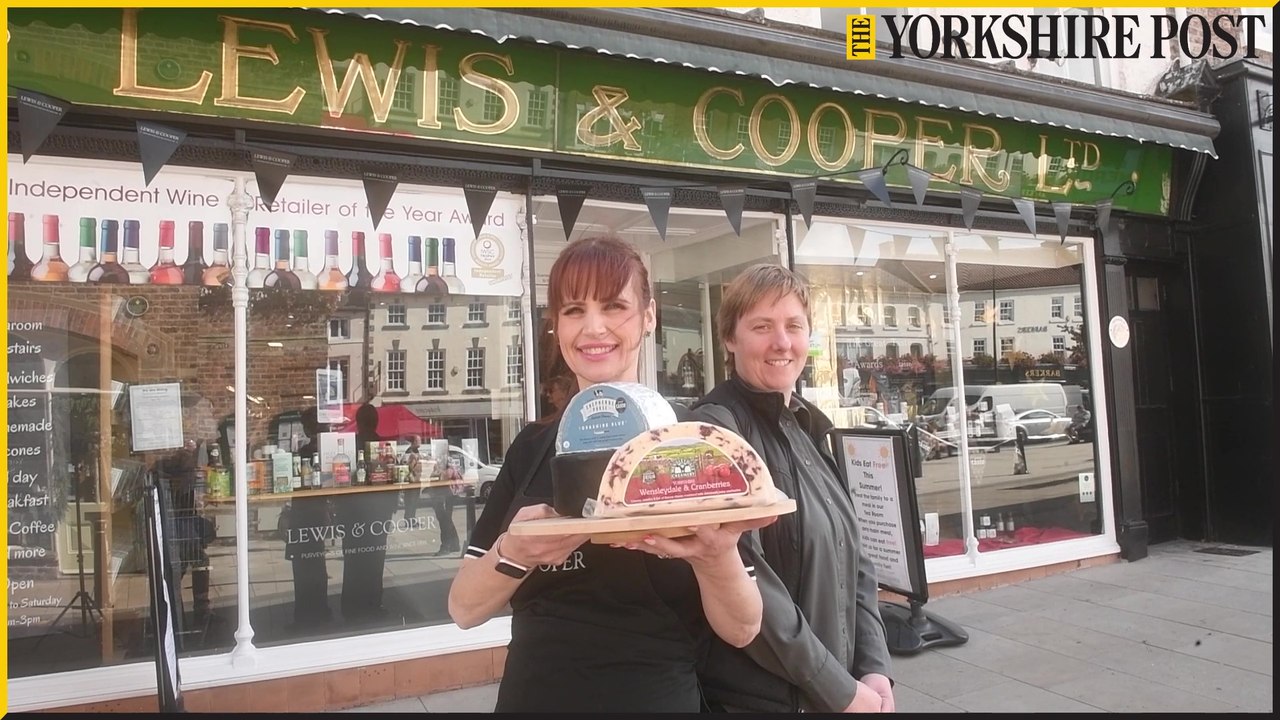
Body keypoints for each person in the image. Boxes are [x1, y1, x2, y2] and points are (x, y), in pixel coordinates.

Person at [448, 235, 770, 712]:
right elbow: (464, 609)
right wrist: (515, 551)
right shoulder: (534, 447)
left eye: (615, 306)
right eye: (574, 310)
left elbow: (743, 629)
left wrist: (715, 557)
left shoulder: (695, 443)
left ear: (649, 317)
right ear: (556, 326)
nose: (593, 328)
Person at [690, 264, 895, 713]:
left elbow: (854, 559)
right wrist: (839, 691)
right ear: (730, 338)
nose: (781, 342)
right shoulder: (714, 434)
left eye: (793, 326)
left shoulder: (807, 428)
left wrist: (874, 667)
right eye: (761, 326)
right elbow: (750, 584)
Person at [336, 403, 397, 621]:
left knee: (353, 559)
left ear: (359, 422)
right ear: (376, 421)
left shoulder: (349, 445)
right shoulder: (384, 446)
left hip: (352, 512)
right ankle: (373, 604)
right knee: (376, 559)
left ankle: (351, 605)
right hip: (378, 513)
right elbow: (392, 480)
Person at [287, 407, 333, 626]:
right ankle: (319, 610)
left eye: (307, 425)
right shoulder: (327, 448)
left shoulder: (310, 450)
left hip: (307, 513)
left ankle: (307, 613)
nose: (305, 429)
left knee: (305, 564)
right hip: (316, 512)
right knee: (315, 562)